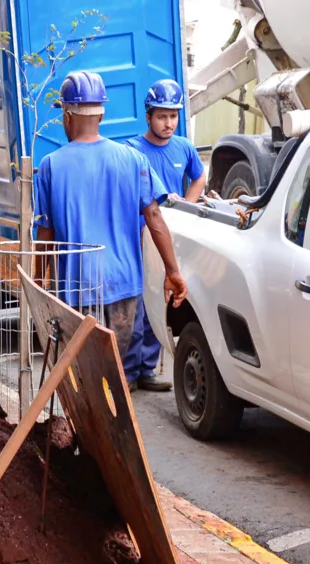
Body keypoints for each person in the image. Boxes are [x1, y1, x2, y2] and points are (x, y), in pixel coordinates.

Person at [34, 70, 187, 361]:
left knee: (84, 373)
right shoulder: (133, 159)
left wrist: (38, 287)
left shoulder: (51, 166)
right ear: (101, 116)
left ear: (67, 116)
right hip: (124, 290)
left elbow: (45, 236)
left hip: (77, 290)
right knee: (113, 370)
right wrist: (174, 272)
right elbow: (154, 217)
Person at [121, 79, 206, 391]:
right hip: (143, 236)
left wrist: (188, 206)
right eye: (161, 116)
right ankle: (130, 373)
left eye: (173, 116)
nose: (168, 123)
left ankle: (146, 370)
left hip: (171, 238)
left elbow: (199, 177)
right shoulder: (133, 150)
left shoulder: (184, 147)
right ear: (148, 116)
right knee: (139, 302)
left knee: (162, 299)